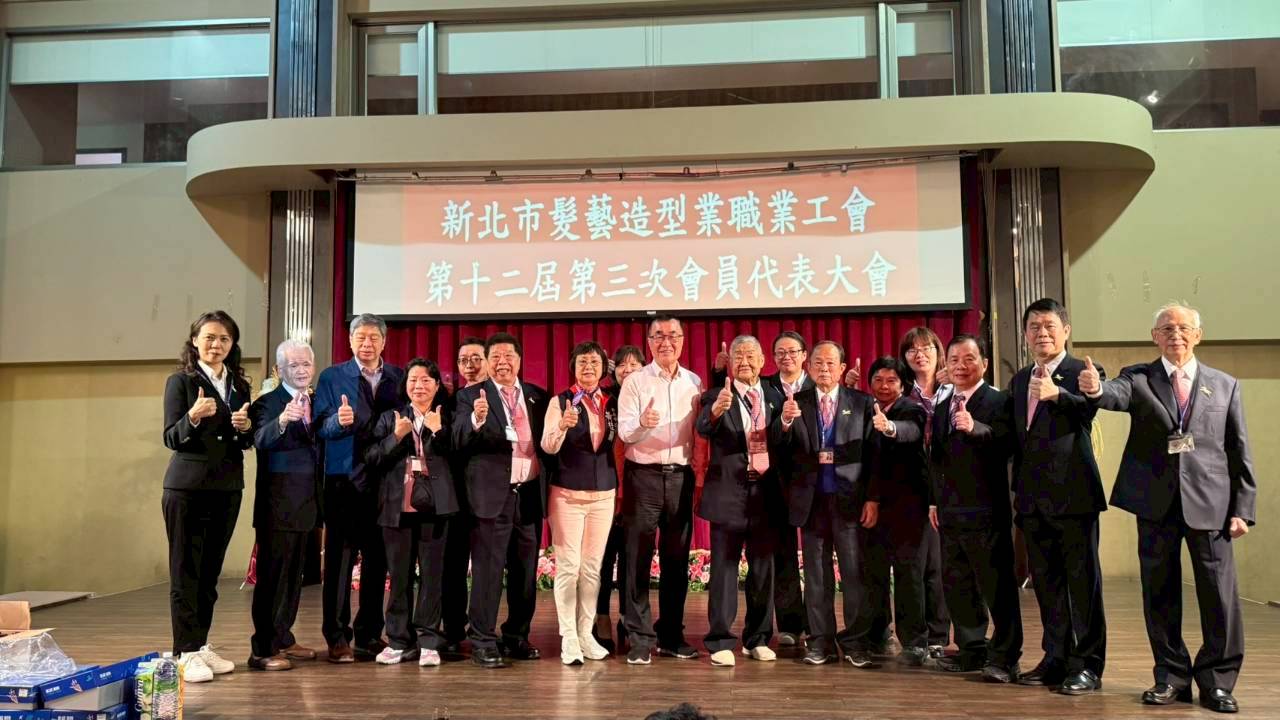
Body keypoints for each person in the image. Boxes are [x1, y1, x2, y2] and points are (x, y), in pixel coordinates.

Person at [1081, 303, 1256, 714]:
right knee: (1159, 593)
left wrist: (1243, 508)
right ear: (1154, 336)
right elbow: (1115, 395)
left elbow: (1238, 449)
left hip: (1211, 505)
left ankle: (1217, 681)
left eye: (1183, 327)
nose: (1175, 334)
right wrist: (1095, 389)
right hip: (1155, 502)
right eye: (1167, 328)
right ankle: (1171, 677)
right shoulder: (1138, 377)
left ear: (1198, 335)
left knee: (1219, 596)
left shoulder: (1225, 384)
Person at [1008, 299, 1107, 694]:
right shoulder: (1020, 379)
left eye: (1049, 325)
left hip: (1074, 498)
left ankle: (1088, 665)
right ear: (1025, 334)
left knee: (1083, 585)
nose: (1042, 333)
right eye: (1034, 327)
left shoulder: (1083, 371)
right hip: (1032, 500)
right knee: (1046, 585)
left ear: (1065, 330)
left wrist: (1058, 395)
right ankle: (1056, 658)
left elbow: (1088, 410)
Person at [161, 310, 254, 682]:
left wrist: (246, 428)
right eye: (210, 337)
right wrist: (193, 417)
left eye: (224, 339)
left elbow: (244, 441)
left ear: (233, 345)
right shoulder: (181, 381)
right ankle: (184, 652)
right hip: (188, 488)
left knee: (210, 573)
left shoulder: (239, 384)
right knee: (186, 571)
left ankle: (199, 645)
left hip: (227, 488)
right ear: (195, 341)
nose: (217, 344)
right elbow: (171, 437)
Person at [928, 334, 1023, 683]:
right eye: (954, 360)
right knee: (958, 585)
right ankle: (971, 650)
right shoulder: (943, 405)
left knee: (997, 587)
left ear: (984, 363)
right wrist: (934, 500)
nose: (960, 366)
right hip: (950, 511)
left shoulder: (999, 401)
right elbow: (936, 457)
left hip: (987, 510)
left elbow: (1010, 445)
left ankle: (1006, 658)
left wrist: (976, 428)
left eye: (968, 359)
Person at [453, 332, 550, 668]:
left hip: (529, 495)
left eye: (509, 356)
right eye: (495, 357)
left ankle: (516, 635)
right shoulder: (469, 396)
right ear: (487, 362)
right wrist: (476, 419)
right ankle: (482, 639)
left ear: (520, 360)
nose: (502, 362)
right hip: (492, 496)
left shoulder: (538, 396)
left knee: (525, 572)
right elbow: (457, 438)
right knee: (488, 571)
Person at [314, 313, 405, 663]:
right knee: (340, 562)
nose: (367, 343)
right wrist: (337, 422)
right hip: (344, 480)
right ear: (350, 341)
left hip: (385, 479)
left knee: (377, 561)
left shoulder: (398, 377)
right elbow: (319, 427)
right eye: (360, 337)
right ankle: (337, 637)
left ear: (384, 342)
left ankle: (369, 633)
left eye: (373, 337)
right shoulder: (332, 376)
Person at [781, 340, 876, 667]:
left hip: (849, 501)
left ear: (842, 368)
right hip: (811, 502)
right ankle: (819, 641)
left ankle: (855, 642)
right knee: (817, 575)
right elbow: (782, 451)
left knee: (853, 573)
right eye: (818, 363)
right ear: (808, 367)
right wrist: (785, 423)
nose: (823, 368)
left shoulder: (861, 402)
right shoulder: (795, 403)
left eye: (830, 363)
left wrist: (872, 498)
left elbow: (873, 456)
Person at [617, 315, 704, 665]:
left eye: (673, 335)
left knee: (676, 558)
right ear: (649, 342)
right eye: (658, 336)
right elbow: (625, 433)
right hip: (643, 475)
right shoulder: (635, 381)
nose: (666, 342)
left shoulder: (694, 382)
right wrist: (642, 424)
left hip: (680, 476)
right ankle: (639, 636)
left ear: (682, 340)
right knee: (637, 557)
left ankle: (671, 635)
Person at [696, 335, 787, 667]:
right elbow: (703, 427)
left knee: (763, 569)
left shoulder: (776, 396)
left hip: (766, 493)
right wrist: (716, 411)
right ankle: (720, 640)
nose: (745, 362)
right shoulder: (716, 395)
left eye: (751, 356)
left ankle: (757, 638)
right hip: (729, 492)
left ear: (763, 361)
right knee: (724, 569)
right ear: (729, 363)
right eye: (738, 357)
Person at [366, 358, 458, 667]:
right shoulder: (390, 417)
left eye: (426, 380)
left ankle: (429, 640)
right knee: (399, 577)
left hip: (436, 507)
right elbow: (371, 457)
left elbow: (459, 457)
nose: (419, 386)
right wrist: (396, 436)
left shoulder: (447, 416)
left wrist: (439, 431)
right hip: (397, 507)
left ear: (437, 385)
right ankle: (398, 640)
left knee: (432, 577)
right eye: (413, 380)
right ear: (405, 386)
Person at [851, 356, 931, 667]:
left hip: (908, 507)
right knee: (874, 573)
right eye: (878, 380)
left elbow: (912, 430)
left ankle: (915, 641)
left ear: (903, 384)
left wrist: (890, 427)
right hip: (871, 505)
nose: (884, 386)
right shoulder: (864, 408)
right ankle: (878, 634)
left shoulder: (911, 409)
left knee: (909, 574)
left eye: (891, 381)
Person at [246, 339, 322, 672]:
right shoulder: (267, 403)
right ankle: (262, 649)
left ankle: (284, 637)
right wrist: (282, 420)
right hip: (277, 507)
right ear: (279, 370)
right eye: (294, 365)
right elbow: (259, 439)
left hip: (309, 504)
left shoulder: (318, 401)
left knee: (294, 579)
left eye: (306, 364)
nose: (302, 370)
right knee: (272, 579)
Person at [541, 341, 618, 665]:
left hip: (603, 495)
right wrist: (562, 425)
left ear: (603, 369)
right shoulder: (560, 402)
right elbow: (547, 446)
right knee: (569, 567)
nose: (588, 367)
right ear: (573, 367)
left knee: (591, 569)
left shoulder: (611, 401)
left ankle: (586, 634)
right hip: (567, 495)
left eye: (594, 362)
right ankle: (568, 637)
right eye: (583, 362)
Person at [898, 326, 952, 657]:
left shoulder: (953, 388)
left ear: (938, 351)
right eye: (912, 349)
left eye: (926, 348)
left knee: (939, 565)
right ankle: (913, 638)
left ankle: (938, 636)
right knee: (910, 565)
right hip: (909, 487)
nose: (919, 354)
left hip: (947, 487)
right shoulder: (901, 391)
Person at [594, 344, 645, 653]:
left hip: (639, 488)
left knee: (632, 558)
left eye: (634, 364)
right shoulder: (605, 399)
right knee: (603, 558)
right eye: (622, 365)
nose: (628, 370)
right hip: (607, 487)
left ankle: (628, 616)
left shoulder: (648, 396)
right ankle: (601, 616)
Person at [441, 337, 488, 653]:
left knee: (489, 566)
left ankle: (486, 629)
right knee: (454, 563)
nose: (469, 365)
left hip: (494, 492)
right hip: (459, 492)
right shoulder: (454, 399)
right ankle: (454, 629)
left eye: (475, 358)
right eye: (463, 360)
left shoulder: (503, 394)